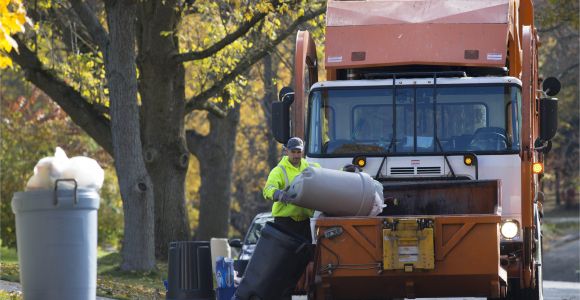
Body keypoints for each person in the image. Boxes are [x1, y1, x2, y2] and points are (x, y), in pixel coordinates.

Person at [263, 137, 320, 241]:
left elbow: (328, 177)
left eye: (299, 152)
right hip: (285, 222)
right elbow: (267, 189)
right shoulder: (279, 171)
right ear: (287, 151)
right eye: (293, 152)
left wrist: (344, 170)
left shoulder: (311, 167)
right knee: (286, 256)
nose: (296, 155)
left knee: (305, 255)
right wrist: (278, 194)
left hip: (304, 222)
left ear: (302, 152)